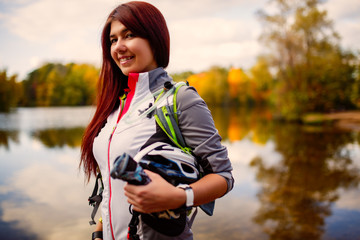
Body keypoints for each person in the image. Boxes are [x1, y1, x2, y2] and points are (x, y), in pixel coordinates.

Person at [80, 1, 234, 240]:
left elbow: (223, 177)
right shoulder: (114, 107)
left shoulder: (180, 99)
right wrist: (100, 230)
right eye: (113, 40)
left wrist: (180, 197)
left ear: (154, 38)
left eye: (129, 35)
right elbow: (112, 184)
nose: (119, 46)